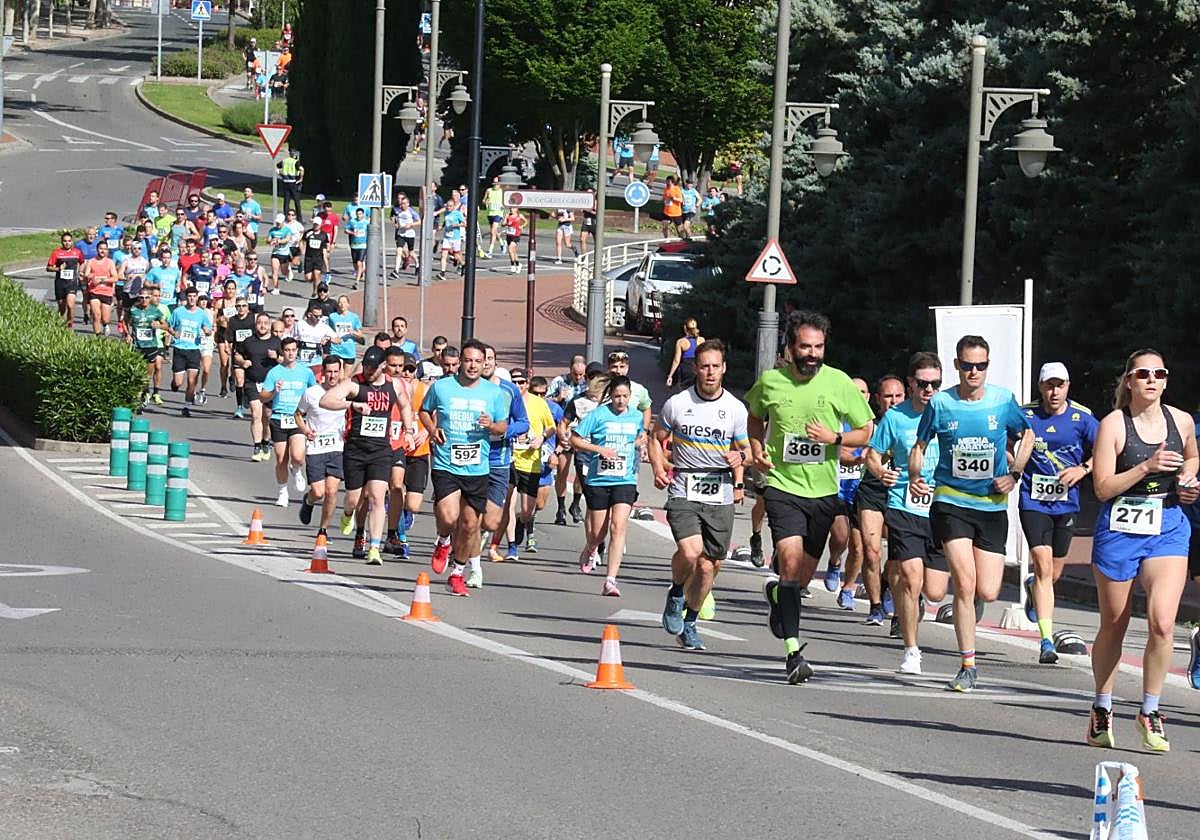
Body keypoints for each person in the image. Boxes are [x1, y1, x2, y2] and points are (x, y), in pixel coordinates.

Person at [747, 311, 874, 683]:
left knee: (800, 578)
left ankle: (779, 598)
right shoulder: (771, 382)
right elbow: (755, 417)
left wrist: (834, 439)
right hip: (783, 488)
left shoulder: (838, 383)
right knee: (788, 562)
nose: (812, 353)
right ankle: (792, 653)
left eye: (818, 347)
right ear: (790, 347)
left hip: (823, 494)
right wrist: (757, 448)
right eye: (805, 346)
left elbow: (866, 431)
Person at [909, 334, 1034, 693]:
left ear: (987, 366)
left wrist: (1015, 474)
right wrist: (917, 477)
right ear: (957, 366)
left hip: (991, 504)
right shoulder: (942, 403)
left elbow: (1026, 435)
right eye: (966, 365)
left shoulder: (1002, 401)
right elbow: (920, 445)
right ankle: (968, 664)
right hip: (951, 500)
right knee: (963, 583)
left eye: (979, 365)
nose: (973, 371)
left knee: (989, 590)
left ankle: (973, 613)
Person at [1085, 350, 1197, 752]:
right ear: (1129, 381)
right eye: (1143, 373)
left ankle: (1150, 709)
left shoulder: (1181, 421)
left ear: (1166, 380)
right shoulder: (1114, 425)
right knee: (1114, 622)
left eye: (1160, 373)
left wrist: (1188, 479)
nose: (1152, 379)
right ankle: (1102, 705)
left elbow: (1193, 457)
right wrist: (1146, 467)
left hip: (1167, 527)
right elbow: (1102, 488)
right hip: (1119, 530)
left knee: (1163, 623)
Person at [652, 340, 750, 649]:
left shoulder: (735, 408)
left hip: (719, 492)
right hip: (684, 486)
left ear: (724, 369)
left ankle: (691, 623)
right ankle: (677, 591)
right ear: (696, 367)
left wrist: (741, 464)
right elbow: (657, 438)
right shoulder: (678, 403)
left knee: (710, 565)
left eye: (715, 367)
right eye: (704, 366)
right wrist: (658, 466)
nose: (709, 372)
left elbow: (746, 448)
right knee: (692, 553)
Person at [865, 353, 949, 674]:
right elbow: (873, 454)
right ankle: (912, 650)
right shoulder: (895, 418)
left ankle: (912, 602)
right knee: (911, 579)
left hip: (941, 508)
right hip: (904, 504)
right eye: (923, 384)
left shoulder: (950, 414)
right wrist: (880, 472)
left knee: (935, 590)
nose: (929, 390)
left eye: (935, 384)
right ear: (911, 383)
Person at [1019, 362, 1099, 665]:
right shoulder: (1025, 415)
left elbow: (1107, 447)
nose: (1054, 392)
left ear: (1068, 386)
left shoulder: (1082, 417)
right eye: (1049, 385)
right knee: (1042, 566)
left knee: (1054, 572)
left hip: (1066, 503)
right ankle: (1046, 641)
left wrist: (1084, 469)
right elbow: (1006, 442)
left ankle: (1033, 589)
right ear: (1040, 387)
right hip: (1033, 500)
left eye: (1060, 385)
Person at [419, 339, 511, 595]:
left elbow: (503, 426)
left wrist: (491, 426)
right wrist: (432, 429)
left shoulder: (493, 394)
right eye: (468, 360)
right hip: (446, 461)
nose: (472, 366)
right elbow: (424, 411)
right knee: (449, 517)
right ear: (460, 361)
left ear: (484, 364)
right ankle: (443, 540)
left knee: (471, 525)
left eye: (477, 361)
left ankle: (457, 573)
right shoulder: (442, 387)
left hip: (477, 466)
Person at [320, 347, 418, 565]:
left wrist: (409, 431)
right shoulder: (355, 383)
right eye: (366, 366)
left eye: (373, 368)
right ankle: (347, 514)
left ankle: (374, 547)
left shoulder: (394, 384)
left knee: (376, 497)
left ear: (383, 366)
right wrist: (352, 404)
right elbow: (325, 400)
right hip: (356, 449)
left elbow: (405, 406)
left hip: (381, 450)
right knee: (354, 499)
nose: (369, 371)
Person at [571, 375, 647, 596]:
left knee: (618, 527)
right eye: (616, 397)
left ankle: (610, 580)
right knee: (598, 531)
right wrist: (599, 450)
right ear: (610, 396)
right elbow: (576, 439)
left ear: (630, 396)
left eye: (624, 396)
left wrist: (641, 443)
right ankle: (591, 547)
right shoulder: (598, 415)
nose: (621, 401)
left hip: (625, 479)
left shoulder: (636, 416)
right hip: (599, 479)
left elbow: (641, 435)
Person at [858, 374, 906, 635]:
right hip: (872, 490)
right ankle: (876, 605)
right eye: (888, 397)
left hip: (901, 492)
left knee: (901, 554)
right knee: (871, 550)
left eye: (898, 396)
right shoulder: (871, 427)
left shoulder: (913, 424)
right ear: (878, 400)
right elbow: (855, 453)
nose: (893, 401)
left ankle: (900, 611)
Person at [478, 346, 530, 575]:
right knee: (465, 512)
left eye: (490, 358)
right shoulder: (463, 386)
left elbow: (523, 422)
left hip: (499, 459)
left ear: (495, 362)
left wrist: (503, 430)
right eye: (482, 359)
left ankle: (471, 543)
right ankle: (464, 557)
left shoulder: (509, 390)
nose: (486, 363)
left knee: (490, 520)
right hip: (470, 457)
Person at [260, 337, 317, 505]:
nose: (291, 353)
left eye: (293, 350)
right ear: (282, 352)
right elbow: (263, 397)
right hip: (279, 418)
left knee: (298, 456)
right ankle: (283, 492)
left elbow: (314, 393)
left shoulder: (306, 372)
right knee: (280, 459)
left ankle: (297, 469)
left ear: (297, 351)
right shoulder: (275, 372)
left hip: (298, 418)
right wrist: (274, 392)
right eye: (287, 350)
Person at [507, 368, 557, 560]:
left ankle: (522, 521)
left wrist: (541, 439)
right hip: (510, 460)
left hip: (531, 462)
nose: (518, 385)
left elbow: (552, 427)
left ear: (527, 384)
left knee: (528, 512)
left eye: (521, 382)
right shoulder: (506, 399)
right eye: (514, 382)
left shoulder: (538, 403)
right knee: (507, 506)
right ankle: (512, 547)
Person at [557, 363, 609, 525]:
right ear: (586, 379)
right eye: (592, 377)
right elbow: (563, 423)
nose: (595, 381)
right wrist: (563, 437)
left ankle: (576, 505)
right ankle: (561, 507)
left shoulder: (610, 402)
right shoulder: (578, 401)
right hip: (581, 448)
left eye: (599, 378)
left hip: (602, 451)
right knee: (565, 474)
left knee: (591, 487)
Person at [164, 288, 213, 416]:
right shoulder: (178, 312)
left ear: (197, 298)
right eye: (189, 296)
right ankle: (174, 384)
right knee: (178, 382)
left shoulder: (201, 314)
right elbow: (169, 326)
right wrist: (174, 333)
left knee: (192, 382)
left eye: (194, 296)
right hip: (180, 349)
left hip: (194, 350)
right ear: (186, 297)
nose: (192, 299)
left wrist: (207, 332)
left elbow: (208, 328)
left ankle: (186, 407)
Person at [125, 289, 168, 405]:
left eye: (147, 297)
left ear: (150, 298)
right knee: (137, 372)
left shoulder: (155, 311)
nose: (144, 300)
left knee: (147, 374)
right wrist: (127, 334)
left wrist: (159, 325)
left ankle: (145, 392)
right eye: (142, 298)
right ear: (138, 299)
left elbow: (166, 325)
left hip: (151, 346)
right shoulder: (133, 310)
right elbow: (124, 322)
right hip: (137, 345)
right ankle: (138, 397)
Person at [47, 232, 84, 328]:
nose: (67, 243)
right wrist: (59, 269)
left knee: (70, 305)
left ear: (72, 242)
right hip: (60, 283)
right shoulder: (56, 252)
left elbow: (82, 263)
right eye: (65, 241)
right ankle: (58, 324)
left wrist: (80, 271)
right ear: (61, 242)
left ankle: (69, 326)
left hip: (72, 283)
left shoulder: (77, 252)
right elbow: (48, 268)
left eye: (69, 241)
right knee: (62, 307)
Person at [82, 240, 118, 336]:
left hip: (106, 292)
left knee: (105, 318)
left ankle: (106, 325)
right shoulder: (91, 261)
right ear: (97, 249)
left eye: (105, 249)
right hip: (94, 291)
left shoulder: (110, 262)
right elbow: (86, 275)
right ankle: (97, 336)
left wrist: (102, 280)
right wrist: (90, 276)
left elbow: (115, 278)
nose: (103, 251)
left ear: (107, 250)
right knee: (96, 315)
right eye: (101, 249)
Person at [665, 318, 704, 391]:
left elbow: (676, 361)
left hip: (686, 369)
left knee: (684, 393)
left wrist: (670, 376)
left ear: (685, 328)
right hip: (698, 368)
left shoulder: (681, 342)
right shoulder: (702, 340)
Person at [327, 295, 363, 366]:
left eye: (344, 302)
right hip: (336, 349)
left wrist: (353, 332)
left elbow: (360, 334)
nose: (342, 304)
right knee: (339, 373)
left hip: (349, 349)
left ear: (348, 304)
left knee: (346, 377)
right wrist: (331, 339)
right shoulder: (332, 316)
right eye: (340, 302)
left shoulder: (354, 317)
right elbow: (328, 330)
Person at [391, 194, 420, 276]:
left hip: (410, 234)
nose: (402, 205)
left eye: (404, 203)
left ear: (408, 204)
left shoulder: (411, 211)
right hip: (401, 233)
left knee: (411, 252)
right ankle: (396, 270)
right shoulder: (397, 210)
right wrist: (395, 223)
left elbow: (419, 221)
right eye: (401, 203)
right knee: (398, 251)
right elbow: (393, 217)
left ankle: (417, 264)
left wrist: (411, 225)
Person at [438, 196, 466, 280]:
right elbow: (445, 221)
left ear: (454, 206)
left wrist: (457, 225)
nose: (448, 208)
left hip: (455, 237)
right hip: (447, 237)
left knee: (456, 255)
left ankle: (463, 264)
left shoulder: (457, 214)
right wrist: (441, 226)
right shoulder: (446, 213)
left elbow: (465, 223)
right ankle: (442, 273)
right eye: (447, 206)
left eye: (450, 206)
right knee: (443, 255)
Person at [301, 216, 329, 295]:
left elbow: (325, 249)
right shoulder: (308, 233)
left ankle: (315, 291)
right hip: (309, 258)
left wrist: (327, 266)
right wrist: (302, 250)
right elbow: (301, 241)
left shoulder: (324, 235)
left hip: (318, 258)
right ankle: (316, 281)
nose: (315, 226)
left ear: (320, 225)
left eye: (317, 224)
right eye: (314, 224)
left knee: (316, 275)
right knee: (308, 278)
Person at [347, 207, 369, 290]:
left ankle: (356, 281)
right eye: (358, 214)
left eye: (360, 214)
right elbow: (346, 230)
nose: (359, 216)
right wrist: (352, 232)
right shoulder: (352, 221)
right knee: (355, 264)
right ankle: (360, 273)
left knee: (359, 262)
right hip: (354, 245)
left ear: (363, 214)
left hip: (363, 245)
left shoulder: (366, 222)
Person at [483, 176, 505, 257]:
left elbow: (506, 202)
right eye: (494, 182)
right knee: (494, 232)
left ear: (500, 183)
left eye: (497, 183)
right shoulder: (489, 190)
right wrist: (486, 202)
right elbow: (484, 200)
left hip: (498, 213)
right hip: (490, 213)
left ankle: (490, 251)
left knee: (493, 231)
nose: (495, 184)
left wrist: (504, 207)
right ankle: (502, 244)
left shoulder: (502, 191)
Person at [278, 150, 304, 220]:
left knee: (286, 201)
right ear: (295, 155)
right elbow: (301, 169)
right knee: (297, 201)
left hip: (285, 182)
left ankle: (286, 217)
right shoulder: (295, 162)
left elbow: (277, 166)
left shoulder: (284, 160)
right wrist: (301, 179)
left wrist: (281, 174)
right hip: (293, 183)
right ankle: (299, 218)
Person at [503, 207, 523, 274]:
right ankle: (518, 264)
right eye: (510, 208)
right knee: (513, 252)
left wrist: (522, 226)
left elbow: (526, 221)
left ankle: (512, 265)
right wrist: (506, 221)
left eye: (513, 208)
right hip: (509, 235)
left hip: (516, 235)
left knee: (510, 249)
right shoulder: (508, 215)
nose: (511, 209)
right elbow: (503, 224)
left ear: (516, 209)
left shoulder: (519, 215)